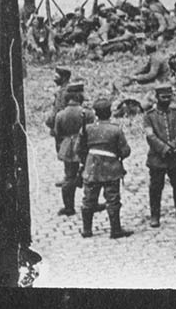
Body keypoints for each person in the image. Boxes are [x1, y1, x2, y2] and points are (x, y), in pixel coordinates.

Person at [79, 97, 133, 239]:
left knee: (89, 199)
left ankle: (87, 230)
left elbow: (79, 149)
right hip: (111, 169)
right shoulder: (115, 130)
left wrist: (86, 161)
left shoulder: (87, 129)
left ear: (96, 113)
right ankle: (115, 230)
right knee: (113, 200)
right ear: (109, 112)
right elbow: (125, 151)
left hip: (91, 169)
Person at [143, 85, 176, 228]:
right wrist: (163, 148)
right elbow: (150, 136)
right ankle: (155, 216)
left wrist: (172, 146)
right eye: (163, 97)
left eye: (168, 97)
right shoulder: (149, 116)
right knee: (156, 187)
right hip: (157, 158)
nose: (166, 99)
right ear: (157, 97)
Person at [48, 80, 89, 216]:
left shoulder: (60, 115)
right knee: (89, 175)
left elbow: (57, 133)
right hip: (85, 146)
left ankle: (69, 207)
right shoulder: (87, 113)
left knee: (69, 176)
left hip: (68, 148)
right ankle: (90, 203)